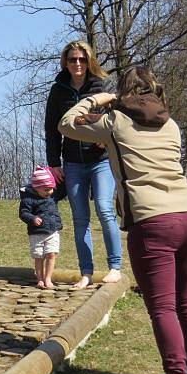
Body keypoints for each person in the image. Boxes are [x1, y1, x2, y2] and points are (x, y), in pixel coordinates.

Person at [59, 66, 187, 374]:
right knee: (186, 299)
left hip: (152, 221)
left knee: (163, 307)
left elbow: (66, 123)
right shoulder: (171, 124)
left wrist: (99, 98)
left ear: (123, 92)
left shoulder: (114, 122)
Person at [45, 40, 123, 289]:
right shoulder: (58, 90)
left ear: (89, 61)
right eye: (72, 60)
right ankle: (86, 272)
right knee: (80, 218)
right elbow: (52, 128)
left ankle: (115, 267)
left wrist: (106, 140)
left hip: (100, 160)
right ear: (65, 63)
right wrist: (53, 163)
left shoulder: (102, 85)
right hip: (72, 162)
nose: (77, 64)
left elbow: (118, 117)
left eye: (81, 59)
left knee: (104, 208)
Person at [19, 166, 62, 289]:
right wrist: (32, 218)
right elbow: (23, 213)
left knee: (51, 254)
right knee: (39, 257)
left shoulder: (52, 197)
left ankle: (48, 278)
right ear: (36, 188)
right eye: (46, 189)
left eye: (52, 189)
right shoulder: (28, 199)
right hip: (36, 233)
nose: (50, 192)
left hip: (52, 231)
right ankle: (40, 279)